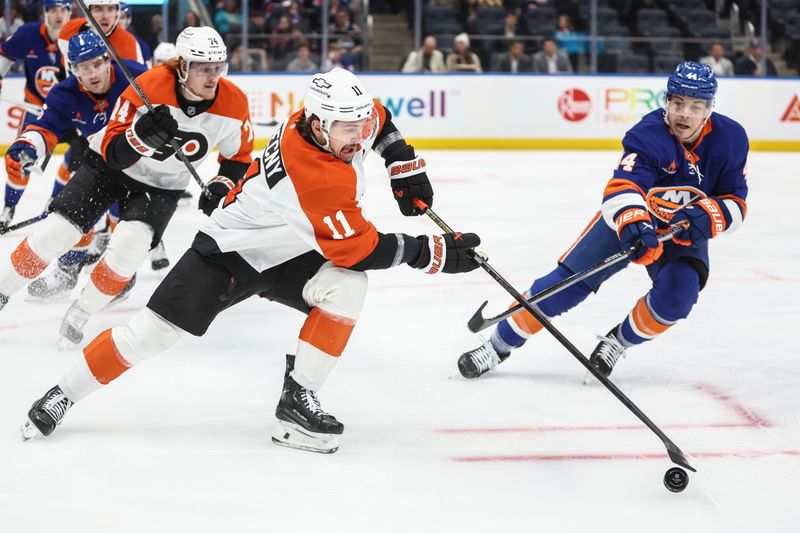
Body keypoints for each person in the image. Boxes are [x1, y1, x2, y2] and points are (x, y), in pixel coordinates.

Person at [19, 67, 482, 455]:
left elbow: (376, 119)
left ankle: (297, 401)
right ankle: (63, 392)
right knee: (148, 336)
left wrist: (400, 160)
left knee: (347, 287)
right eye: (348, 128)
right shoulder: (316, 174)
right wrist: (433, 252)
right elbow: (356, 248)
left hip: (288, 252)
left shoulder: (329, 119)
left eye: (359, 125)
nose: (359, 135)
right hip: (227, 253)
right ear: (318, 125)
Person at [457, 62, 748, 381]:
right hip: (630, 223)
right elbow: (623, 187)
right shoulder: (649, 134)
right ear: (667, 101)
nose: (684, 114)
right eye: (678, 103)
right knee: (563, 286)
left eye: (695, 106)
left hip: (681, 233)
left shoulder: (730, 138)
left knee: (677, 297)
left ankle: (617, 342)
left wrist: (710, 216)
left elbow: (735, 198)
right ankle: (497, 346)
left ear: (709, 108)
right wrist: (636, 224)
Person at [0, 26, 253, 348]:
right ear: (183, 66)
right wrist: (139, 138)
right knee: (57, 232)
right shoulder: (149, 85)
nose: (212, 77)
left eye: (218, 68)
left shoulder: (233, 102)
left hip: (162, 188)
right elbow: (113, 152)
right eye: (204, 69)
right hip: (106, 169)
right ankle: (2, 291)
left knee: (129, 250)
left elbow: (239, 158)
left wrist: (222, 184)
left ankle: (80, 312)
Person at [3, 31, 147, 301]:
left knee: (124, 226)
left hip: (140, 164)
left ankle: (122, 277)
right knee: (75, 216)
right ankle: (67, 272)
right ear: (73, 69)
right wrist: (29, 143)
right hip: (100, 163)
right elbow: (45, 127)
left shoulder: (136, 76)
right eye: (83, 67)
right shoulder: (65, 93)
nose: (91, 73)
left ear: (108, 60)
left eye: (96, 64)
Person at [0, 0, 72, 230]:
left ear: (70, 13)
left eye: (64, 10)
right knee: (19, 159)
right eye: (53, 10)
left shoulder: (79, 37)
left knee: (75, 161)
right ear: (45, 14)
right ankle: (8, 208)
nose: (59, 15)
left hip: (72, 113)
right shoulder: (29, 34)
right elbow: (5, 55)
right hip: (37, 111)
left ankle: (54, 203)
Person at [58, 0, 146, 71]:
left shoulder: (129, 43)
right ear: (88, 12)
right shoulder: (69, 31)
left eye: (110, 9)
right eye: (98, 9)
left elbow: (139, 80)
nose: (105, 16)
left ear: (117, 13)